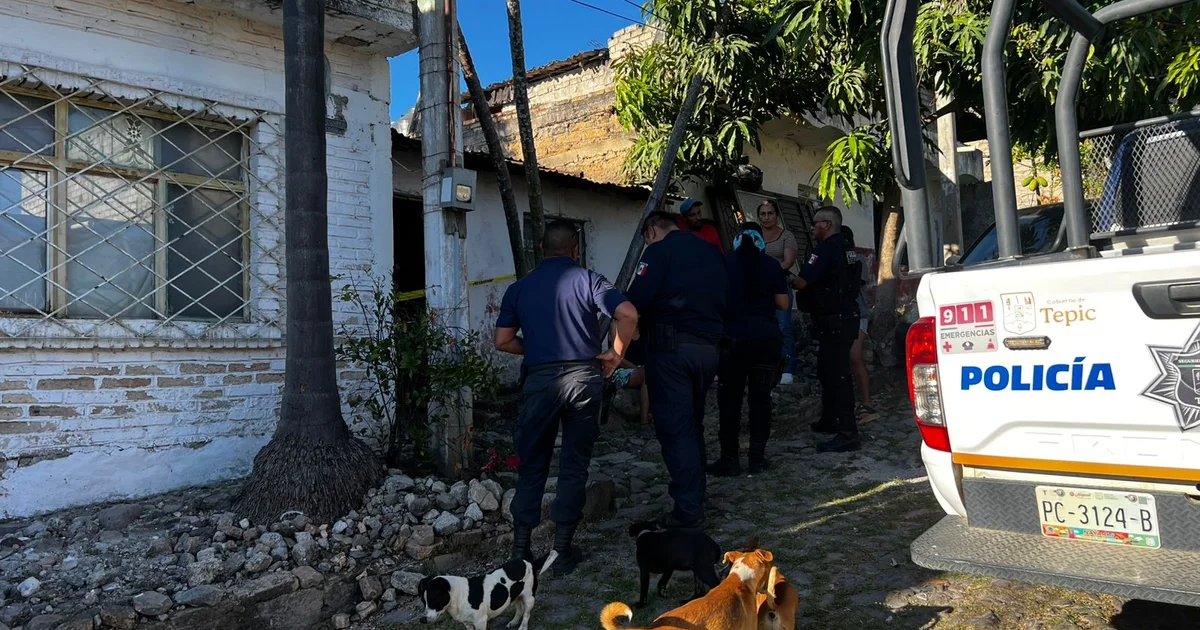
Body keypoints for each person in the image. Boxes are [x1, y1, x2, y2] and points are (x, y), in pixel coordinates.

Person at [494, 220, 639, 575]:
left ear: (540, 249)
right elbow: (628, 313)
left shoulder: (520, 288)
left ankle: (520, 552)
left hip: (541, 381)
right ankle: (561, 551)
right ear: (575, 249)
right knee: (574, 464)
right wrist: (616, 354)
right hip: (583, 379)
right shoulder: (590, 281)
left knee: (532, 465)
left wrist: (538, 349)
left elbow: (502, 341)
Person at [627, 211, 728, 530]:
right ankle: (696, 496)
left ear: (651, 231)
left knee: (676, 429)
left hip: (672, 350)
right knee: (693, 424)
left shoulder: (658, 251)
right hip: (709, 349)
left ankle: (687, 512)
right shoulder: (712, 251)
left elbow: (635, 301)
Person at [707, 222, 790, 477]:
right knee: (761, 399)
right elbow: (784, 304)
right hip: (765, 340)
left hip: (732, 341)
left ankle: (729, 458)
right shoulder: (771, 265)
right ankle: (757, 457)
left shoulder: (723, 263)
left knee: (729, 401)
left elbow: (714, 300)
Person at [788, 206, 861, 452]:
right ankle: (830, 420)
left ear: (827, 225)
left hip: (835, 321)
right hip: (843, 318)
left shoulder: (826, 249)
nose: (812, 227)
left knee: (838, 376)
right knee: (827, 372)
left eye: (815, 223)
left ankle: (848, 432)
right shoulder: (847, 248)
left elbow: (801, 282)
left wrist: (784, 276)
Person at [757, 200, 798, 385]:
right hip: (758, 288)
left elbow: (788, 261)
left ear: (777, 215)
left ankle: (788, 368)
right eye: (763, 214)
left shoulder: (786, 235)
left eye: (770, 213)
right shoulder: (754, 235)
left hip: (780, 286)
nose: (766, 217)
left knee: (783, 326)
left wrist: (770, 273)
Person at [841, 226, 879, 423]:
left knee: (855, 357)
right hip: (841, 315)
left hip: (859, 314)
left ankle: (867, 402)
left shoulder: (859, 260)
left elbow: (857, 284)